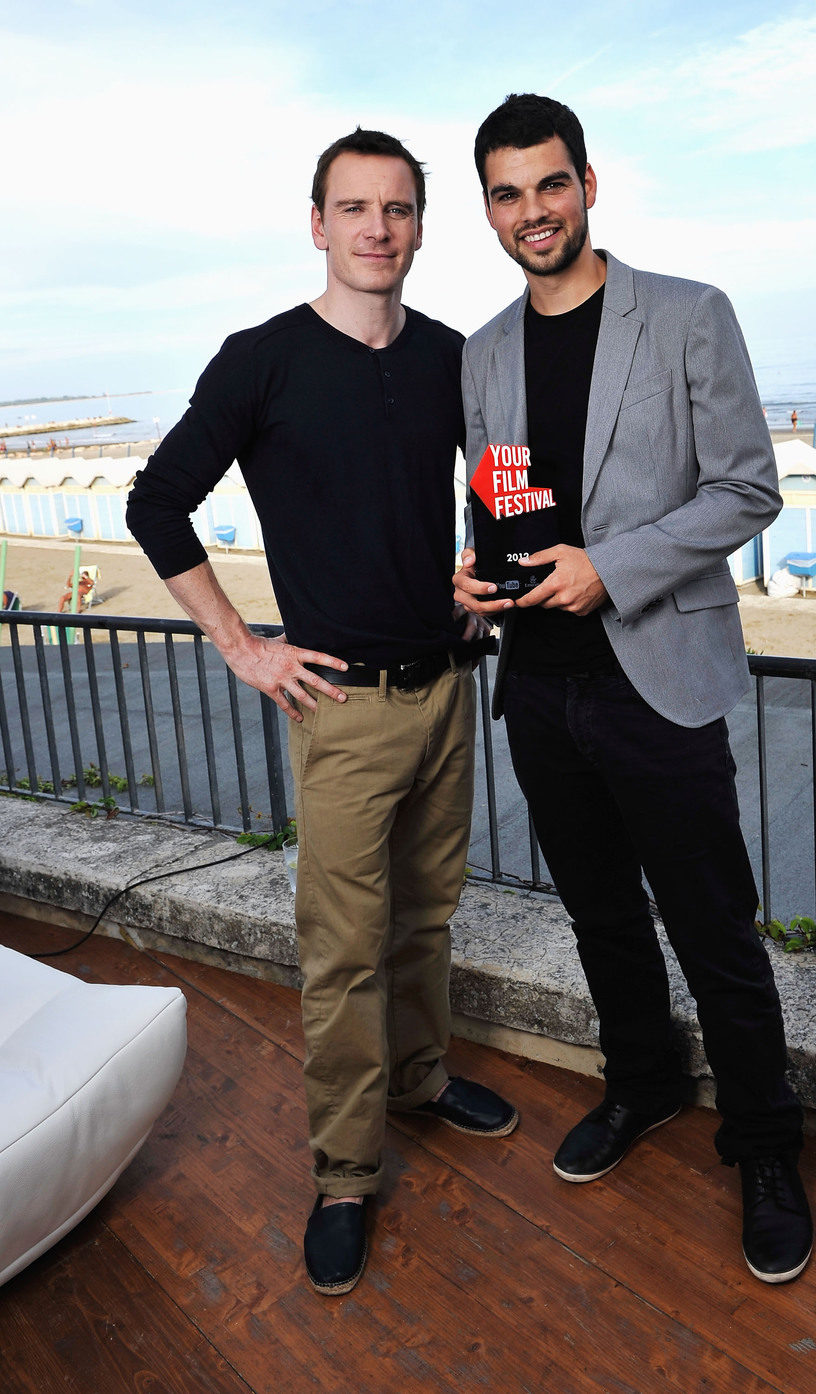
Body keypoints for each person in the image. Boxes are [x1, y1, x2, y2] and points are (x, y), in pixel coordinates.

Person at [126, 127, 517, 1299]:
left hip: (447, 689)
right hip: (340, 707)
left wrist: (481, 574)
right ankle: (346, 1171)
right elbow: (156, 504)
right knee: (342, 953)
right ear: (317, 222)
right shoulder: (262, 360)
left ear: (417, 225)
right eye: (354, 208)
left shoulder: (453, 354)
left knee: (426, 919)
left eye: (396, 209)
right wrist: (244, 645)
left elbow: (497, 480)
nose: (376, 229)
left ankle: (421, 1075)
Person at [453, 93, 810, 1285]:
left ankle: (764, 1144)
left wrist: (614, 567)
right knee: (601, 915)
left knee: (714, 927)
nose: (531, 211)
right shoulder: (484, 350)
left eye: (549, 185)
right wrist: (479, 568)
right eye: (507, 193)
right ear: (490, 210)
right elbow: (501, 489)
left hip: (656, 674)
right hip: (539, 690)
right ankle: (646, 1084)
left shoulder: (690, 315)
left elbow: (747, 491)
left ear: (589, 185)